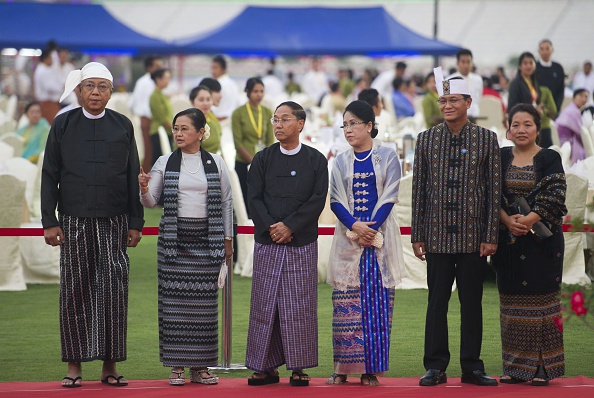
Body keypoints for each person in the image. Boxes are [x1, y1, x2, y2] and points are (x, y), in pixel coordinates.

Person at [41, 61, 144, 388]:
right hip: (73, 220)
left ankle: (109, 366)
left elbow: (132, 175)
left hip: (115, 221)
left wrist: (136, 221)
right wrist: (49, 221)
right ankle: (74, 367)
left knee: (113, 292)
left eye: (102, 86)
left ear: (111, 92)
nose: (96, 92)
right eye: (90, 86)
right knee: (75, 291)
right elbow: (49, 175)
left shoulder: (123, 125)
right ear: (79, 90)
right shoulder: (63, 124)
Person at [412, 67, 501, 387]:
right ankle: (435, 366)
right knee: (436, 302)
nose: (447, 105)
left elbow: (493, 192)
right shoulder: (426, 140)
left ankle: (472, 367)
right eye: (442, 100)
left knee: (471, 303)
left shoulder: (486, 139)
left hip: (473, 236)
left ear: (468, 101)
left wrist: (491, 235)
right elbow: (418, 190)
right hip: (435, 236)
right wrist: (417, 235)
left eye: (453, 100)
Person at [138, 108, 233, 386]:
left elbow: (226, 203)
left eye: (184, 129)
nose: (178, 133)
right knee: (174, 306)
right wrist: (143, 188)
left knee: (204, 308)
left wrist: (228, 240)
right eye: (175, 128)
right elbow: (151, 201)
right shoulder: (165, 161)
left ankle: (201, 366)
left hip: (208, 241)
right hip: (174, 243)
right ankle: (177, 365)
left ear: (201, 133)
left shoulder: (215, 162)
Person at [245, 101, 328, 386]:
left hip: (300, 241)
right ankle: (264, 366)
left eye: (284, 119)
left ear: (300, 124)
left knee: (299, 306)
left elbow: (317, 199)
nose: (278, 125)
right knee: (264, 305)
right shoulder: (263, 158)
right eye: (275, 120)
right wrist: (272, 227)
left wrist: (291, 226)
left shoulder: (316, 160)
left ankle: (299, 367)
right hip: (268, 241)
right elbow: (253, 198)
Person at [325, 100, 405, 386]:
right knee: (345, 304)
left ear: (369, 126)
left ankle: (371, 369)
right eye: (344, 124)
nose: (348, 129)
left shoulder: (387, 155)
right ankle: (342, 368)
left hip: (378, 240)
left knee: (377, 305)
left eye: (353, 123)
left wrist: (370, 229)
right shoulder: (340, 161)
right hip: (349, 240)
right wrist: (355, 226)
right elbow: (335, 199)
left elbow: (390, 194)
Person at [492, 103, 567, 386]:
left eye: (527, 124)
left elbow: (555, 196)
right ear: (507, 129)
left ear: (537, 128)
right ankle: (514, 367)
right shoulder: (499, 157)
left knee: (544, 304)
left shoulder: (549, 157)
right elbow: (491, 195)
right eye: (515, 124)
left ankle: (542, 369)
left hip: (542, 243)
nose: (521, 129)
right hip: (509, 242)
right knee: (511, 305)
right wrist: (507, 220)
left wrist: (529, 219)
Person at [231, 77, 274, 216]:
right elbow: (238, 143)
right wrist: (254, 162)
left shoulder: (267, 112)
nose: (259, 94)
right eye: (255, 91)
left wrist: (262, 162)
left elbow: (270, 140)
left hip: (263, 164)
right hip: (243, 163)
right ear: (247, 92)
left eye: (261, 91)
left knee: (262, 202)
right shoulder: (238, 113)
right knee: (244, 202)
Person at [508, 52, 557, 148]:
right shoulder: (516, 83)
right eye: (525, 63)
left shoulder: (534, 82)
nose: (528, 66)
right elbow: (512, 106)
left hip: (536, 121)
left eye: (531, 63)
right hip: (523, 123)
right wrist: (533, 109)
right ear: (520, 66)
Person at [128, 56, 163, 171]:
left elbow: (131, 103)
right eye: (157, 66)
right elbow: (148, 105)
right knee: (148, 149)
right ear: (149, 68)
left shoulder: (143, 81)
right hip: (148, 119)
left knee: (149, 148)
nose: (160, 68)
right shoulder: (149, 82)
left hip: (146, 119)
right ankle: (145, 176)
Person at [556, 89, 590, 163]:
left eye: (586, 96)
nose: (584, 99)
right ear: (574, 97)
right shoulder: (573, 111)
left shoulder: (571, 108)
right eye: (581, 96)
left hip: (561, 140)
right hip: (566, 142)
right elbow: (580, 133)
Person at [448, 49, 483, 121]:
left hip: (474, 116)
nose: (466, 65)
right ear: (457, 63)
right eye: (463, 62)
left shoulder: (478, 79)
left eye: (468, 62)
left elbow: (478, 98)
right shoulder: (448, 80)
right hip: (455, 118)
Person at [149, 68, 173, 165]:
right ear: (158, 79)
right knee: (159, 161)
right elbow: (162, 118)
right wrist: (174, 130)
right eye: (166, 78)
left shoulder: (162, 95)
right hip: (159, 131)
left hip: (166, 130)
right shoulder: (154, 96)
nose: (168, 81)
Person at [189, 85, 222, 154]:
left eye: (208, 99)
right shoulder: (188, 124)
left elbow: (219, 148)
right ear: (192, 102)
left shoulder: (213, 121)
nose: (206, 103)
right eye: (201, 100)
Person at [536, 39, 565, 113]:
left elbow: (561, 90)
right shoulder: (534, 68)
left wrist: (556, 108)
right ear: (539, 51)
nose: (545, 52)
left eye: (547, 49)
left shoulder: (558, 68)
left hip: (554, 109)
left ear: (552, 50)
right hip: (538, 110)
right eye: (542, 49)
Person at [34, 50, 63, 124]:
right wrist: (62, 87)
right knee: (52, 124)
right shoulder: (43, 71)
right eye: (51, 58)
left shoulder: (44, 69)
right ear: (45, 59)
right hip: (48, 103)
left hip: (49, 103)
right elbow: (49, 87)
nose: (52, 60)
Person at [211, 55, 240, 120]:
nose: (212, 71)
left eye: (215, 68)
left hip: (218, 120)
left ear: (223, 69)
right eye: (212, 68)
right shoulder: (234, 83)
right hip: (231, 120)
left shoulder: (216, 84)